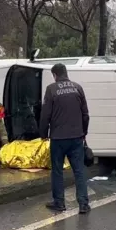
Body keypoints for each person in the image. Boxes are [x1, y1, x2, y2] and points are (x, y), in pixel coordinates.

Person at [39, 63, 91, 214]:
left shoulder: (51, 89)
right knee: (79, 171)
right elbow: (85, 114)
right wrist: (84, 132)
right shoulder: (77, 87)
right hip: (76, 137)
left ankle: (59, 203)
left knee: (57, 171)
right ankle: (83, 204)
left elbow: (45, 115)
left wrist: (43, 134)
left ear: (55, 75)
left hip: (58, 138)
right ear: (66, 73)